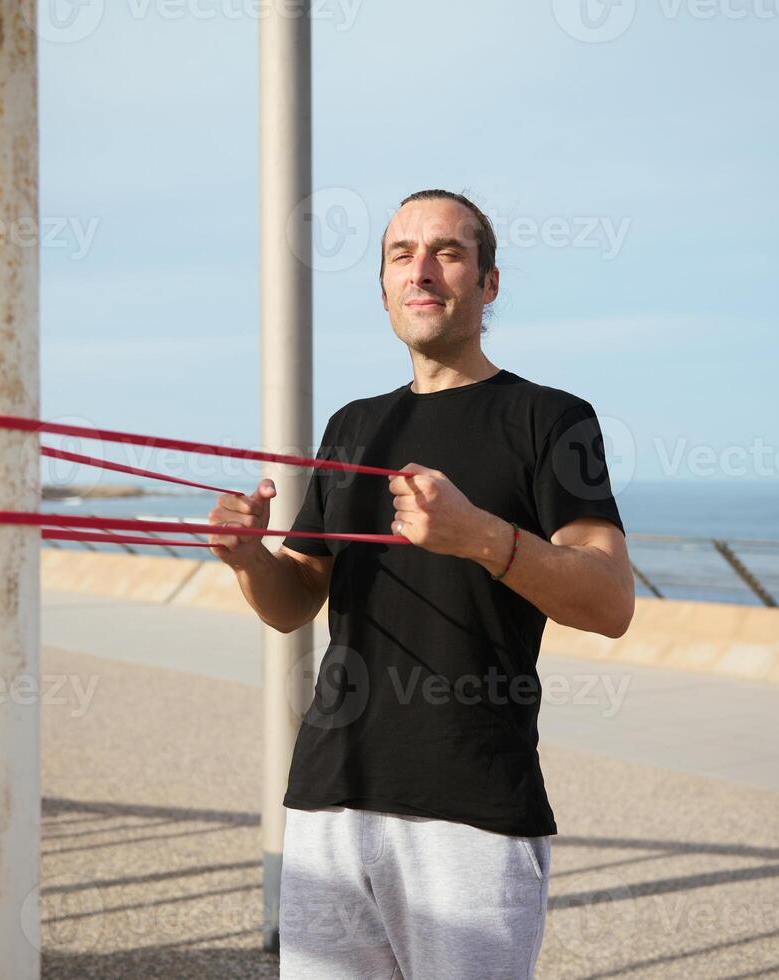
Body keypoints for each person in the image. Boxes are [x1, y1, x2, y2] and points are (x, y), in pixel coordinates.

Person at [207, 189, 634, 979]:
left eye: (448, 252)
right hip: (328, 796)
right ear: (383, 288)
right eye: (401, 254)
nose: (423, 270)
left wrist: (478, 536)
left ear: (488, 283)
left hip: (471, 808)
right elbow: (296, 598)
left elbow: (609, 601)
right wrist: (246, 558)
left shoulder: (551, 418)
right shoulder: (352, 428)